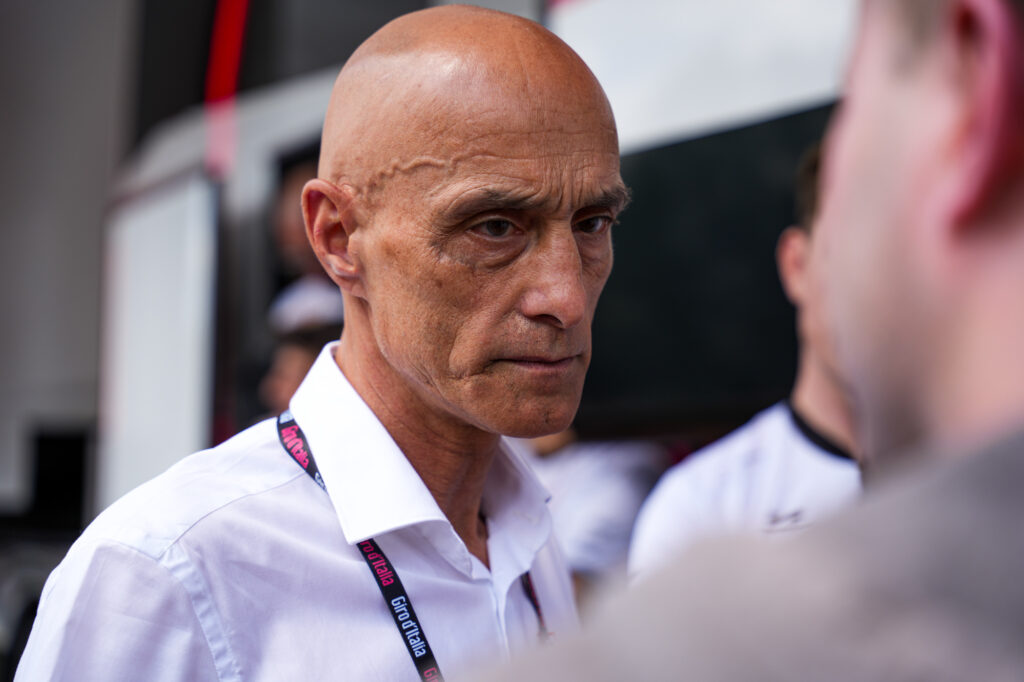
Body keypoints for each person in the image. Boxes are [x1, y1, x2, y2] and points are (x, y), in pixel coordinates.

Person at [16, 6, 628, 681]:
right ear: (338, 237)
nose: (567, 298)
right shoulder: (167, 575)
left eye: (593, 223)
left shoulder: (524, 529)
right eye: (493, 227)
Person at [475, 0, 1024, 678]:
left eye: (854, 94)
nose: (561, 300)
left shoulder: (711, 633)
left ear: (974, 83)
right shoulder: (702, 506)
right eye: (495, 227)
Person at [628, 145, 861, 578]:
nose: (877, 286)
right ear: (797, 265)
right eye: (852, 252)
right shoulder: (701, 509)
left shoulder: (985, 477)